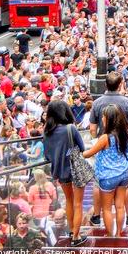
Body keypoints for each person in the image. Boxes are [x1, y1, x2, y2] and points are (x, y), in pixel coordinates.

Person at [89, 71, 128, 228]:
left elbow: (92, 129)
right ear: (120, 84)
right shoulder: (126, 102)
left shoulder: (97, 102)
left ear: (105, 84)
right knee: (127, 182)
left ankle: (96, 216)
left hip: (102, 146)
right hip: (122, 145)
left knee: (98, 181)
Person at [83, 104, 128, 237]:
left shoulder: (105, 137)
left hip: (108, 177)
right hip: (124, 173)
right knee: (120, 206)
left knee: (106, 208)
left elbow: (88, 154)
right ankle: (119, 234)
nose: (102, 119)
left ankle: (110, 235)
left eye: (103, 117)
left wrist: (77, 152)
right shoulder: (125, 134)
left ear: (108, 119)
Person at [42, 100, 86, 246]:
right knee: (78, 203)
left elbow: (47, 155)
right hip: (75, 169)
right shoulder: (70, 128)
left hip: (60, 172)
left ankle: (72, 230)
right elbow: (82, 147)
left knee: (69, 200)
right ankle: (76, 237)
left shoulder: (46, 132)